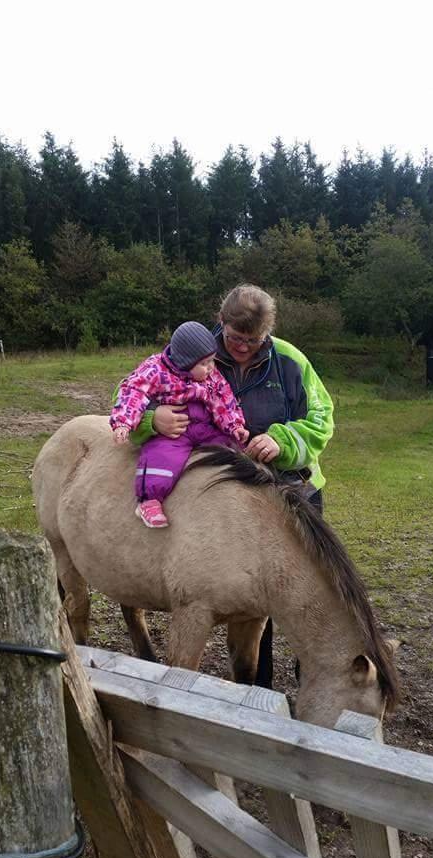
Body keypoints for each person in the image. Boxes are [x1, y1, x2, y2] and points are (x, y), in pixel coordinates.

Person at [131, 285, 334, 683]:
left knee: (304, 587)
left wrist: (284, 440)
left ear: (268, 333)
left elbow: (322, 419)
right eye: (234, 337)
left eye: (254, 340)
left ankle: (315, 674)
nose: (242, 347)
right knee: (252, 596)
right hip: (223, 499)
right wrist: (152, 421)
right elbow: (131, 396)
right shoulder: (190, 353)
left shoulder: (290, 361)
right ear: (220, 322)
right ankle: (256, 685)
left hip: (291, 488)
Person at [110, 321, 249, 528]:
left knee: (229, 446)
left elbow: (223, 399)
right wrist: (124, 422)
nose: (211, 367)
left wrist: (234, 426)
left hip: (203, 425)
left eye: (212, 361)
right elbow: (133, 392)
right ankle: (149, 501)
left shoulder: (211, 376)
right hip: (173, 430)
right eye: (205, 363)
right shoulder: (155, 370)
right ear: (185, 361)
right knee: (162, 456)